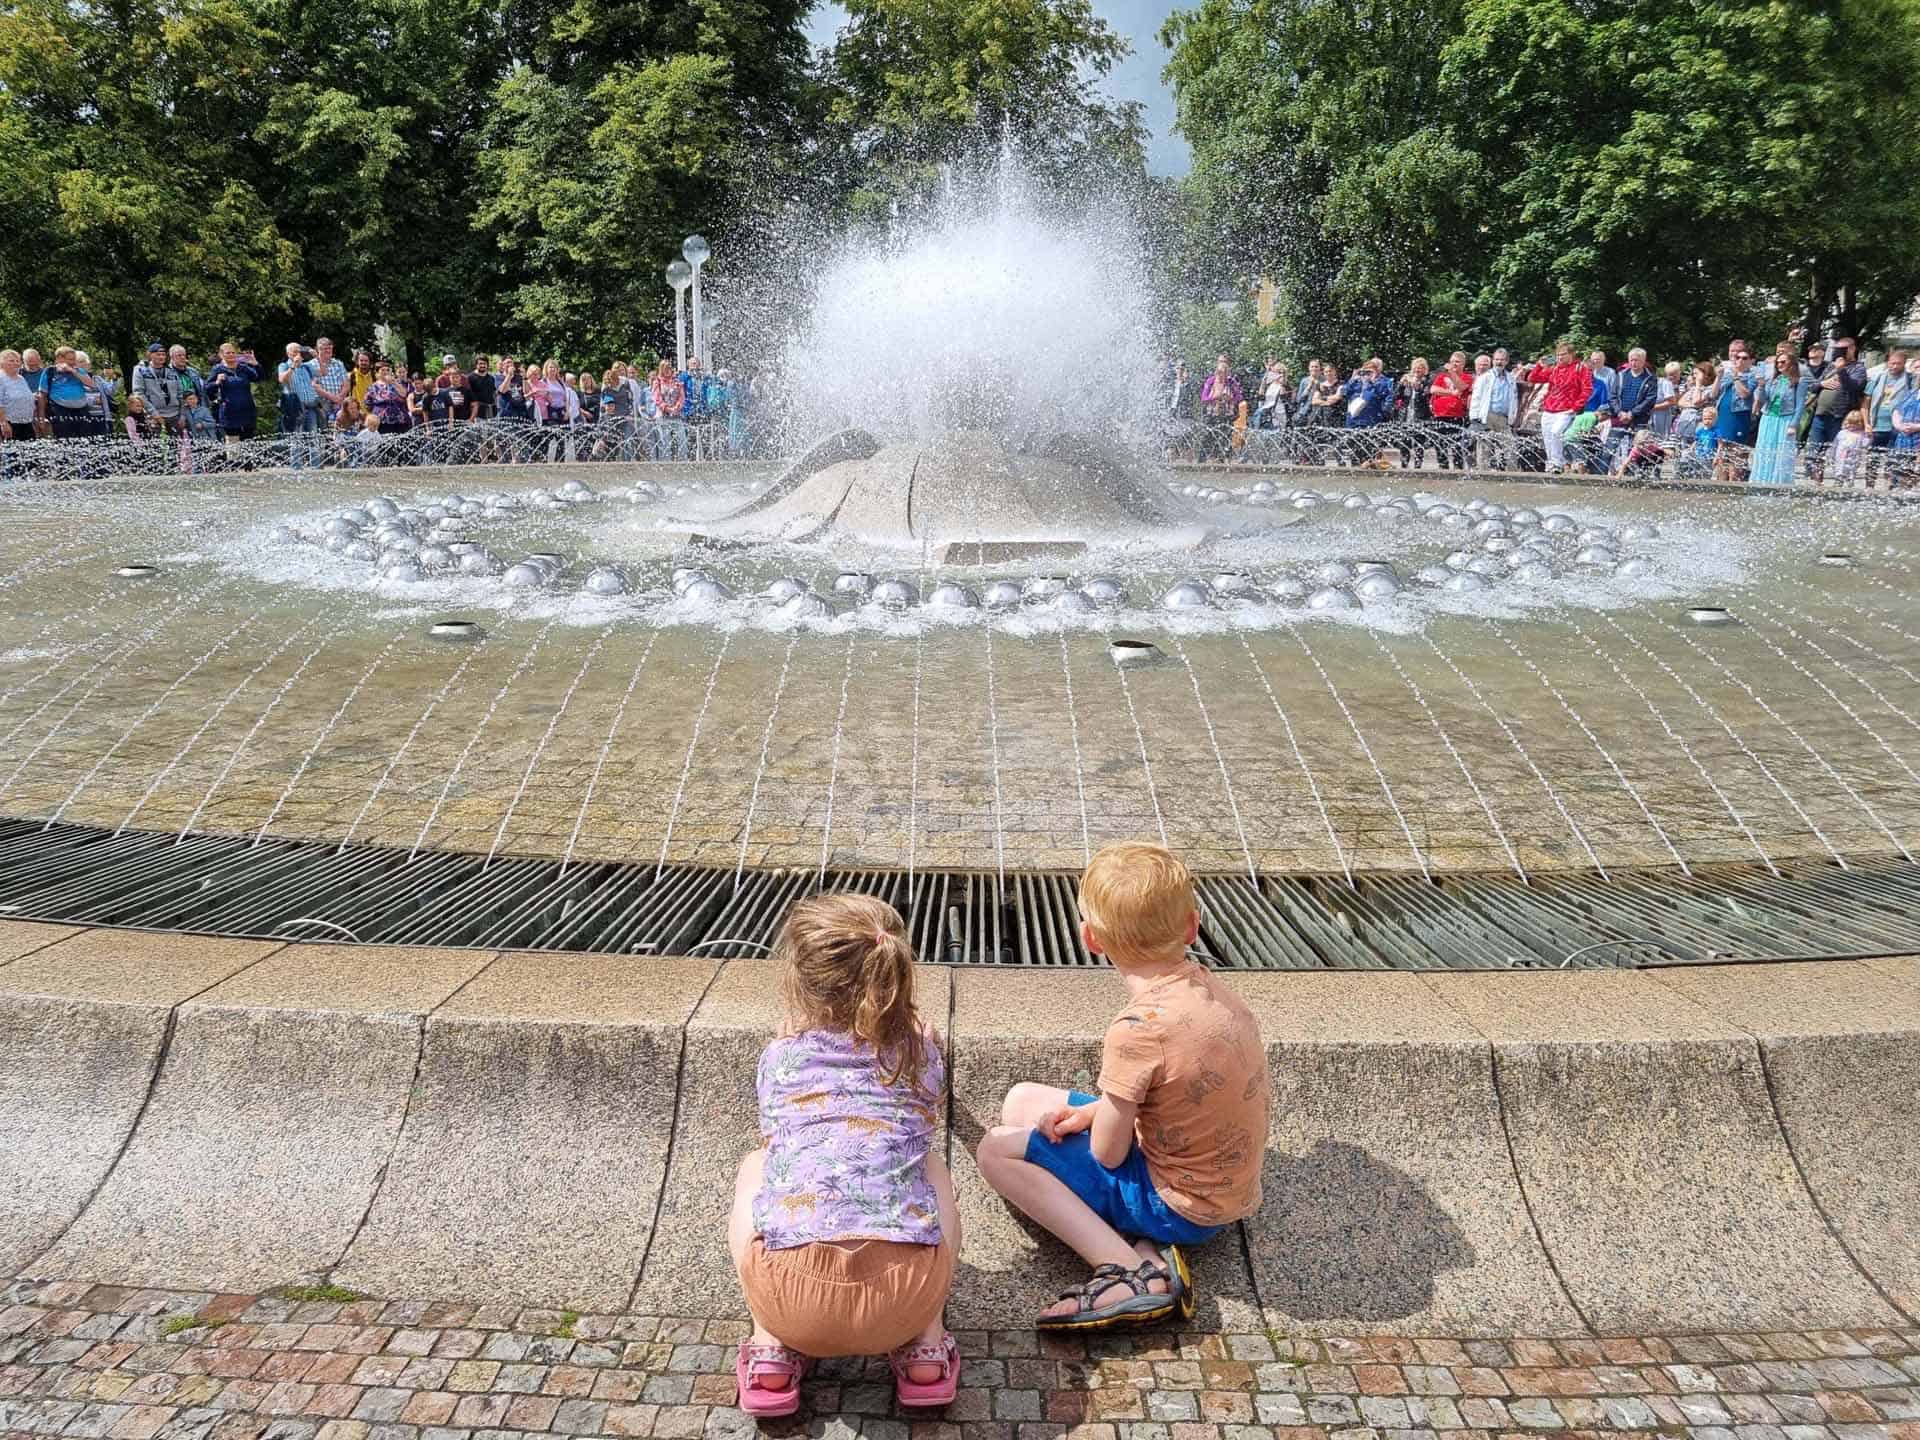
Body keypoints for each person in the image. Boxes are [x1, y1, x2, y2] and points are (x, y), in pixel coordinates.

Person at [976, 843, 1269, 1331]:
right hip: (1226, 1192)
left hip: (1178, 1208)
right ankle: (1144, 1251)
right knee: (1021, 1101)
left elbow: (1109, 1154)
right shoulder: (1213, 991)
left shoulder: (1137, 1029)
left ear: (1091, 938)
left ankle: (1134, 1270)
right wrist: (1093, 1112)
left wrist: (1098, 1124)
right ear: (1193, 926)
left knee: (993, 1150)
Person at [730, 893, 960, 1417]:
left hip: (791, 1301)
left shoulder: (782, 1056)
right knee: (931, 1166)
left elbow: (778, 1140)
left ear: (801, 979)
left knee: (756, 1167)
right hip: (904, 1300)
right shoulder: (919, 1053)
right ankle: (927, 1346)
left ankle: (769, 1348)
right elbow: (920, 1126)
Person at [1806, 337, 1867, 483]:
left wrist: (1841, 370)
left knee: (1842, 454)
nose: (1838, 352)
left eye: (1842, 349)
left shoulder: (1858, 368)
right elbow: (1813, 387)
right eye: (1836, 349)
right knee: (1815, 452)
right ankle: (1816, 485)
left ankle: (1839, 485)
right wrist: (1822, 383)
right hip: (1820, 415)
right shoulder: (1829, 366)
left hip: (1841, 416)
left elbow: (1854, 388)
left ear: (1852, 349)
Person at [1524, 343, 1592, 473]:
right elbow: (1533, 378)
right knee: (1547, 437)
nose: (1559, 357)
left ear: (1571, 354)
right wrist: (1539, 365)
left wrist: (1575, 407)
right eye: (1558, 355)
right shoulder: (1555, 369)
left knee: (1556, 433)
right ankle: (1552, 464)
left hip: (1566, 410)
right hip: (1549, 409)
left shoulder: (1581, 369)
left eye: (1563, 354)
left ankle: (1558, 463)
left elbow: (1587, 389)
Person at [1749, 346, 1810, 487]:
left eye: (1783, 362)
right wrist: (1761, 386)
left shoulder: (1800, 382)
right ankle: (1761, 481)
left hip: (1785, 420)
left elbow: (1800, 405)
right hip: (1768, 419)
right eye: (1778, 362)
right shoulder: (1774, 380)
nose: (1779, 365)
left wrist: (1794, 425)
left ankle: (1780, 483)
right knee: (1765, 450)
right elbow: (1764, 400)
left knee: (1782, 453)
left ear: (1792, 364)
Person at [37, 347, 108, 442]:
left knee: (85, 440)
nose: (73, 362)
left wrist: (73, 371)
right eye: (70, 359)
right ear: (59, 359)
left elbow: (91, 384)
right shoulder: (49, 372)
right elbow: (42, 395)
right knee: (65, 440)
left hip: (82, 410)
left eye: (74, 359)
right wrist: (41, 417)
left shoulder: (78, 370)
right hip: (60, 410)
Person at [1711, 345, 1759, 482]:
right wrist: (1718, 377)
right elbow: (1714, 394)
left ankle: (1736, 483)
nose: (1740, 360)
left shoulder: (1752, 376)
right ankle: (1722, 485)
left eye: (1744, 358)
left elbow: (1744, 394)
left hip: (1739, 417)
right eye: (1737, 357)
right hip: (1724, 416)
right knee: (1722, 455)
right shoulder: (1727, 374)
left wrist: (1737, 378)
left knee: (1737, 454)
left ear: (1751, 361)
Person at [1468, 351, 1517, 471]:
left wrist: (1513, 417)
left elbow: (1514, 398)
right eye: (1496, 359)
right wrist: (1475, 418)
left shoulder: (1510, 378)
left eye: (1502, 360)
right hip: (1487, 415)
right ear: (1493, 360)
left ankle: (1513, 473)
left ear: (1506, 361)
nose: (1499, 362)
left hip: (1503, 418)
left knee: (1510, 446)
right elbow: (1476, 398)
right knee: (1484, 446)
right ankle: (1483, 472)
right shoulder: (1485, 377)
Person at [206, 343, 261, 450]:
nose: (231, 355)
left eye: (233, 352)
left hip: (247, 411)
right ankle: (235, 465)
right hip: (229, 413)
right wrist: (217, 382)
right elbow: (208, 389)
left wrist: (256, 364)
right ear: (221, 355)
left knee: (248, 442)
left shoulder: (243, 368)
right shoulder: (218, 369)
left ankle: (249, 466)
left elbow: (259, 378)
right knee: (233, 445)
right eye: (228, 353)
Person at [1429, 351, 1471, 468]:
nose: (1454, 364)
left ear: (1463, 364)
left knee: (1456, 445)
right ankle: (1443, 467)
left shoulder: (1466, 377)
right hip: (1439, 415)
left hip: (1456, 416)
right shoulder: (1442, 376)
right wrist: (1452, 392)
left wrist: (1451, 373)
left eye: (1457, 362)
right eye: (1452, 361)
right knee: (1439, 444)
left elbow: (1461, 387)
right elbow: (1433, 389)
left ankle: (1458, 469)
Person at [1865, 350, 1911, 453]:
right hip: (1877, 426)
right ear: (1887, 363)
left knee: (1893, 461)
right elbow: (1866, 401)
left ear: (1904, 363)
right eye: (1892, 363)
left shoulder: (1910, 379)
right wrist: (1866, 423)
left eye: (1898, 363)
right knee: (1873, 459)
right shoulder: (1877, 377)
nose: (1894, 366)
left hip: (1898, 427)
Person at [1198, 354, 1241, 462]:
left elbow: (1239, 397)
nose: (1222, 375)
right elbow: (1203, 398)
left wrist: (1230, 399)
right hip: (1212, 413)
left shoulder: (1231, 382)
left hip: (1226, 414)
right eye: (1220, 372)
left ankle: (1223, 460)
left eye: (1225, 373)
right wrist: (1216, 397)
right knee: (1208, 436)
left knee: (1225, 438)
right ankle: (1201, 460)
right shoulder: (1211, 381)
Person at [651, 359, 688, 461]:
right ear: (661, 369)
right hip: (663, 416)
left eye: (669, 368)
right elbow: (656, 398)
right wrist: (667, 408)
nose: (668, 370)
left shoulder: (677, 381)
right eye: (665, 368)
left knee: (682, 441)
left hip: (676, 415)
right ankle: (665, 465)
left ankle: (683, 463)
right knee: (665, 442)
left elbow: (682, 396)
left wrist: (677, 407)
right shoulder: (657, 382)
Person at [1832, 410, 1870, 485]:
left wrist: (1869, 437)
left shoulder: (1861, 434)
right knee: (1840, 467)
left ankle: (1850, 481)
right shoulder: (1842, 433)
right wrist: (1832, 455)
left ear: (1860, 424)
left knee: (1852, 469)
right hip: (1841, 455)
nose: (1851, 426)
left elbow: (1865, 444)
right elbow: (1835, 444)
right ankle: (1838, 480)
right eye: (1849, 423)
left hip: (1854, 456)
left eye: (1854, 424)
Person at [467, 355, 497, 420]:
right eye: (480, 363)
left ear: (487, 365)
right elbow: (468, 396)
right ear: (476, 365)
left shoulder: (491, 378)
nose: (483, 366)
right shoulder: (470, 378)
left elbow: (493, 393)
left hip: (491, 411)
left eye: (484, 364)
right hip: (476, 413)